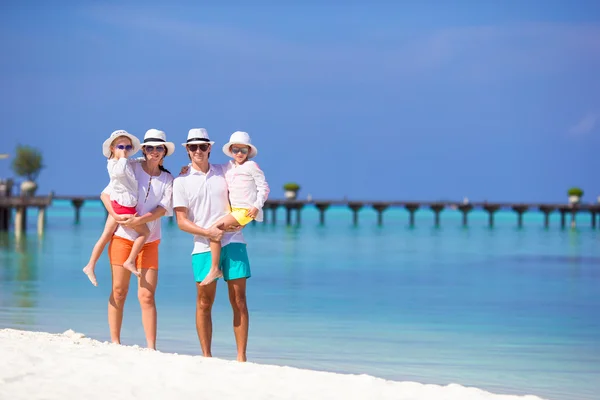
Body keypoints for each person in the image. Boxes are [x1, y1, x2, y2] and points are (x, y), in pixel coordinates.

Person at [173, 128, 251, 362]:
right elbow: (181, 222)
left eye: (203, 146)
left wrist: (244, 218)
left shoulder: (224, 171)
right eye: (193, 146)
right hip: (203, 247)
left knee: (239, 300)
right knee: (204, 302)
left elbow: (246, 185)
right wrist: (208, 232)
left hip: (234, 242)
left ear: (210, 148)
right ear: (187, 149)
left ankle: (241, 358)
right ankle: (206, 356)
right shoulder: (181, 181)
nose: (198, 150)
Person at [101, 128, 175, 350]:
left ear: (164, 152)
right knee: (118, 291)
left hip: (149, 240)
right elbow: (106, 194)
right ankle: (115, 342)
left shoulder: (168, 179)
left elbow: (164, 208)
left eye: (159, 147)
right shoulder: (130, 167)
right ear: (143, 149)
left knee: (146, 296)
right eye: (150, 147)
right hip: (122, 237)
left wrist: (142, 219)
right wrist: (115, 215)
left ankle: (151, 347)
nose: (154, 151)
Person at [199, 130, 269, 286]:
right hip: (234, 211)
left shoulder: (252, 166)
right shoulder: (228, 166)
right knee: (218, 232)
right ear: (230, 151)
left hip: (246, 210)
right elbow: (210, 168)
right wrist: (190, 167)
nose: (239, 153)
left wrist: (257, 206)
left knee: (214, 229)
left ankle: (215, 269)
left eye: (243, 150)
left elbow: (264, 188)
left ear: (249, 151)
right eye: (236, 150)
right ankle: (216, 267)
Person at [82, 130, 148, 286]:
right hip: (125, 207)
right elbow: (119, 171)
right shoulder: (114, 164)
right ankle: (130, 261)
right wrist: (124, 159)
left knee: (105, 235)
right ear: (112, 148)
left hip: (119, 205)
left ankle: (90, 265)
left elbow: (137, 162)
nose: (124, 150)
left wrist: (134, 158)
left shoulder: (126, 162)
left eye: (128, 147)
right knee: (145, 232)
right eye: (120, 146)